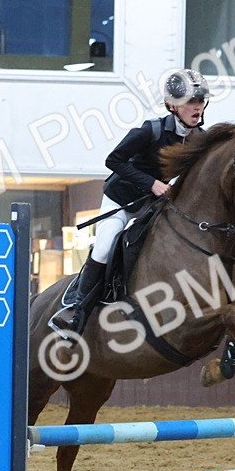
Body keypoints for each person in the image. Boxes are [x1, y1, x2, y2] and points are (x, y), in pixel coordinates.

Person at [54, 69, 211, 333]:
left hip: (153, 206)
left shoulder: (200, 140)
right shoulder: (150, 131)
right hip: (121, 202)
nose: (197, 107)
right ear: (172, 105)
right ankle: (76, 312)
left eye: (200, 100)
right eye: (190, 102)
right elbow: (112, 161)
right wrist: (151, 182)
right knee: (105, 245)